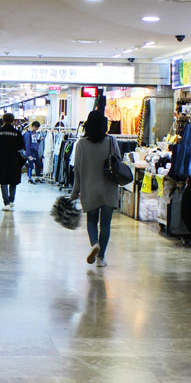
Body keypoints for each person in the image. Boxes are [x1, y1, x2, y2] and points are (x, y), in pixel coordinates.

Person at [69, 110, 119, 268]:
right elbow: (118, 162)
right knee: (105, 224)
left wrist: (75, 191)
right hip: (109, 189)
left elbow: (77, 169)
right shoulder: (111, 141)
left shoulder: (81, 144)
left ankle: (94, 243)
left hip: (90, 189)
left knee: (91, 221)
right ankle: (101, 258)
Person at [0, 113, 25, 210]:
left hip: (1, 158)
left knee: (3, 180)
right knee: (13, 180)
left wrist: (0, 148)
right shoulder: (17, 133)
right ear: (13, 121)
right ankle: (12, 200)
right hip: (14, 158)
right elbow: (21, 145)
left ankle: (6, 202)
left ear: (3, 120)